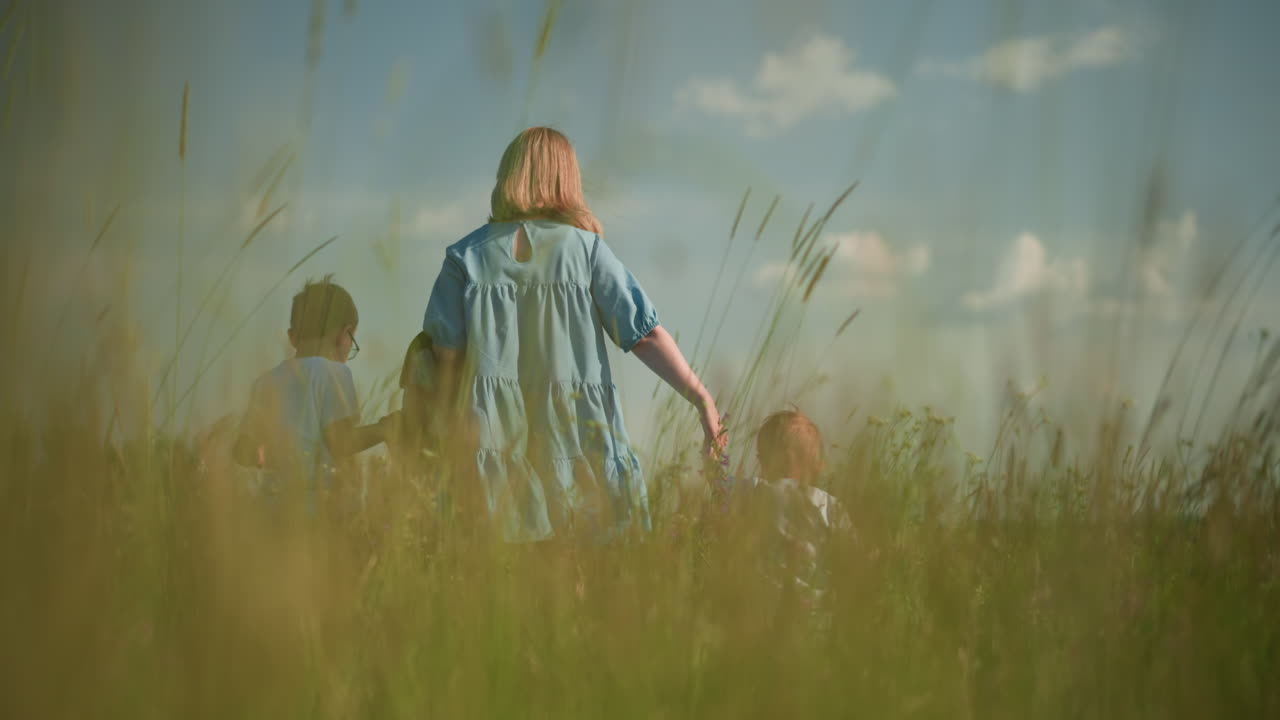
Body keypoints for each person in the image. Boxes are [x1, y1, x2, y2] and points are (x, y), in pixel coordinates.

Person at [421, 126, 724, 544]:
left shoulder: (464, 258)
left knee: (503, 587)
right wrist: (701, 399)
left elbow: (447, 359)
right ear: (566, 179)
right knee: (582, 576)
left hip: (493, 443)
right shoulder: (587, 251)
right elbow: (645, 336)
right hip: (579, 435)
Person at [233, 275, 397, 509]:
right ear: (345, 334)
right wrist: (385, 429)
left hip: (270, 507)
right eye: (353, 340)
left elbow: (242, 451)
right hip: (318, 507)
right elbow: (340, 442)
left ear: (292, 337)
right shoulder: (334, 373)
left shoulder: (264, 382)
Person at [748, 409, 852, 606]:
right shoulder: (832, 505)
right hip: (816, 609)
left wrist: (711, 449)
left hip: (768, 607)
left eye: (761, 458)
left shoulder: (760, 490)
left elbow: (717, 480)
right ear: (817, 466)